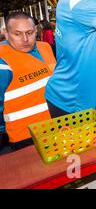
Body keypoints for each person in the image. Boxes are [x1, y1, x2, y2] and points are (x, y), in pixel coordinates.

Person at [0, 12, 55, 152]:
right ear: (6, 33)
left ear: (36, 30)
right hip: (24, 136)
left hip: (56, 125)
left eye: (29, 33)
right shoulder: (2, 60)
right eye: (17, 34)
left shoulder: (46, 48)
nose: (25, 39)